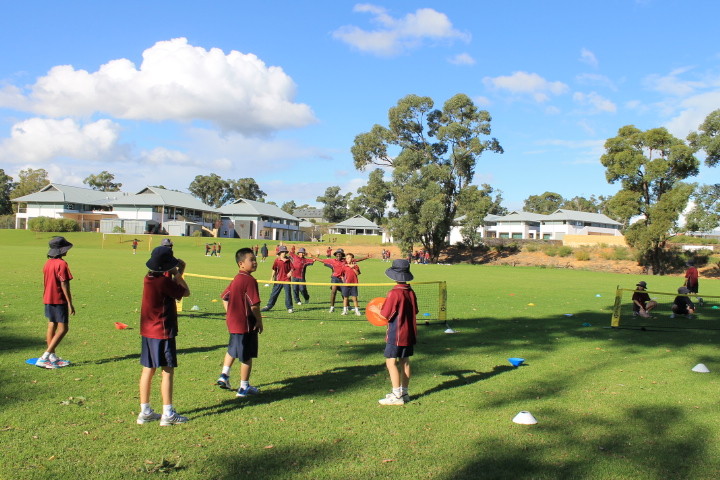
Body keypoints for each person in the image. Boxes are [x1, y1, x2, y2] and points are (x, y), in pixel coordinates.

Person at [137, 245, 191, 426]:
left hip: (148, 331)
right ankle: (168, 413)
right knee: (167, 371)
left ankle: (145, 411)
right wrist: (179, 274)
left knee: (148, 369)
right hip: (163, 331)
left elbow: (167, 282)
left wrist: (176, 272)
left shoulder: (149, 278)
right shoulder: (164, 282)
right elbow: (185, 292)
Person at [216, 248, 264, 397]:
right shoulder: (249, 280)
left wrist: (229, 312)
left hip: (233, 323)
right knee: (246, 356)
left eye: (255, 259)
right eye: (251, 259)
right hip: (245, 324)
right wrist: (259, 320)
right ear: (241, 263)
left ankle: (224, 375)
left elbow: (224, 297)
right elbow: (254, 305)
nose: (255, 262)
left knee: (233, 348)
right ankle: (244, 388)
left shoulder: (237, 278)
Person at [374, 259, 418, 405]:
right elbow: (415, 310)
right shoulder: (410, 291)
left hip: (396, 333)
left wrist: (375, 309)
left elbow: (385, 314)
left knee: (390, 362)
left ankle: (396, 395)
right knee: (405, 362)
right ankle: (404, 393)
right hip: (409, 332)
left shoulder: (394, 293)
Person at [36, 236, 76, 369]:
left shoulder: (47, 263)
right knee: (63, 328)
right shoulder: (62, 264)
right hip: (59, 299)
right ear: (61, 250)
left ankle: (52, 356)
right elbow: (64, 284)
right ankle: (45, 357)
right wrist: (70, 303)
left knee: (51, 325)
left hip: (47, 298)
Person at [261, 246, 294, 313]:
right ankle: (269, 306)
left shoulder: (288, 260)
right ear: (280, 253)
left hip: (286, 280)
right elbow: (274, 269)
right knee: (274, 293)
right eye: (283, 252)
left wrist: (290, 272)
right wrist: (271, 278)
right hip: (278, 280)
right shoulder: (277, 260)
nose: (284, 253)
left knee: (288, 294)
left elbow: (292, 268)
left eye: (285, 252)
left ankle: (290, 308)